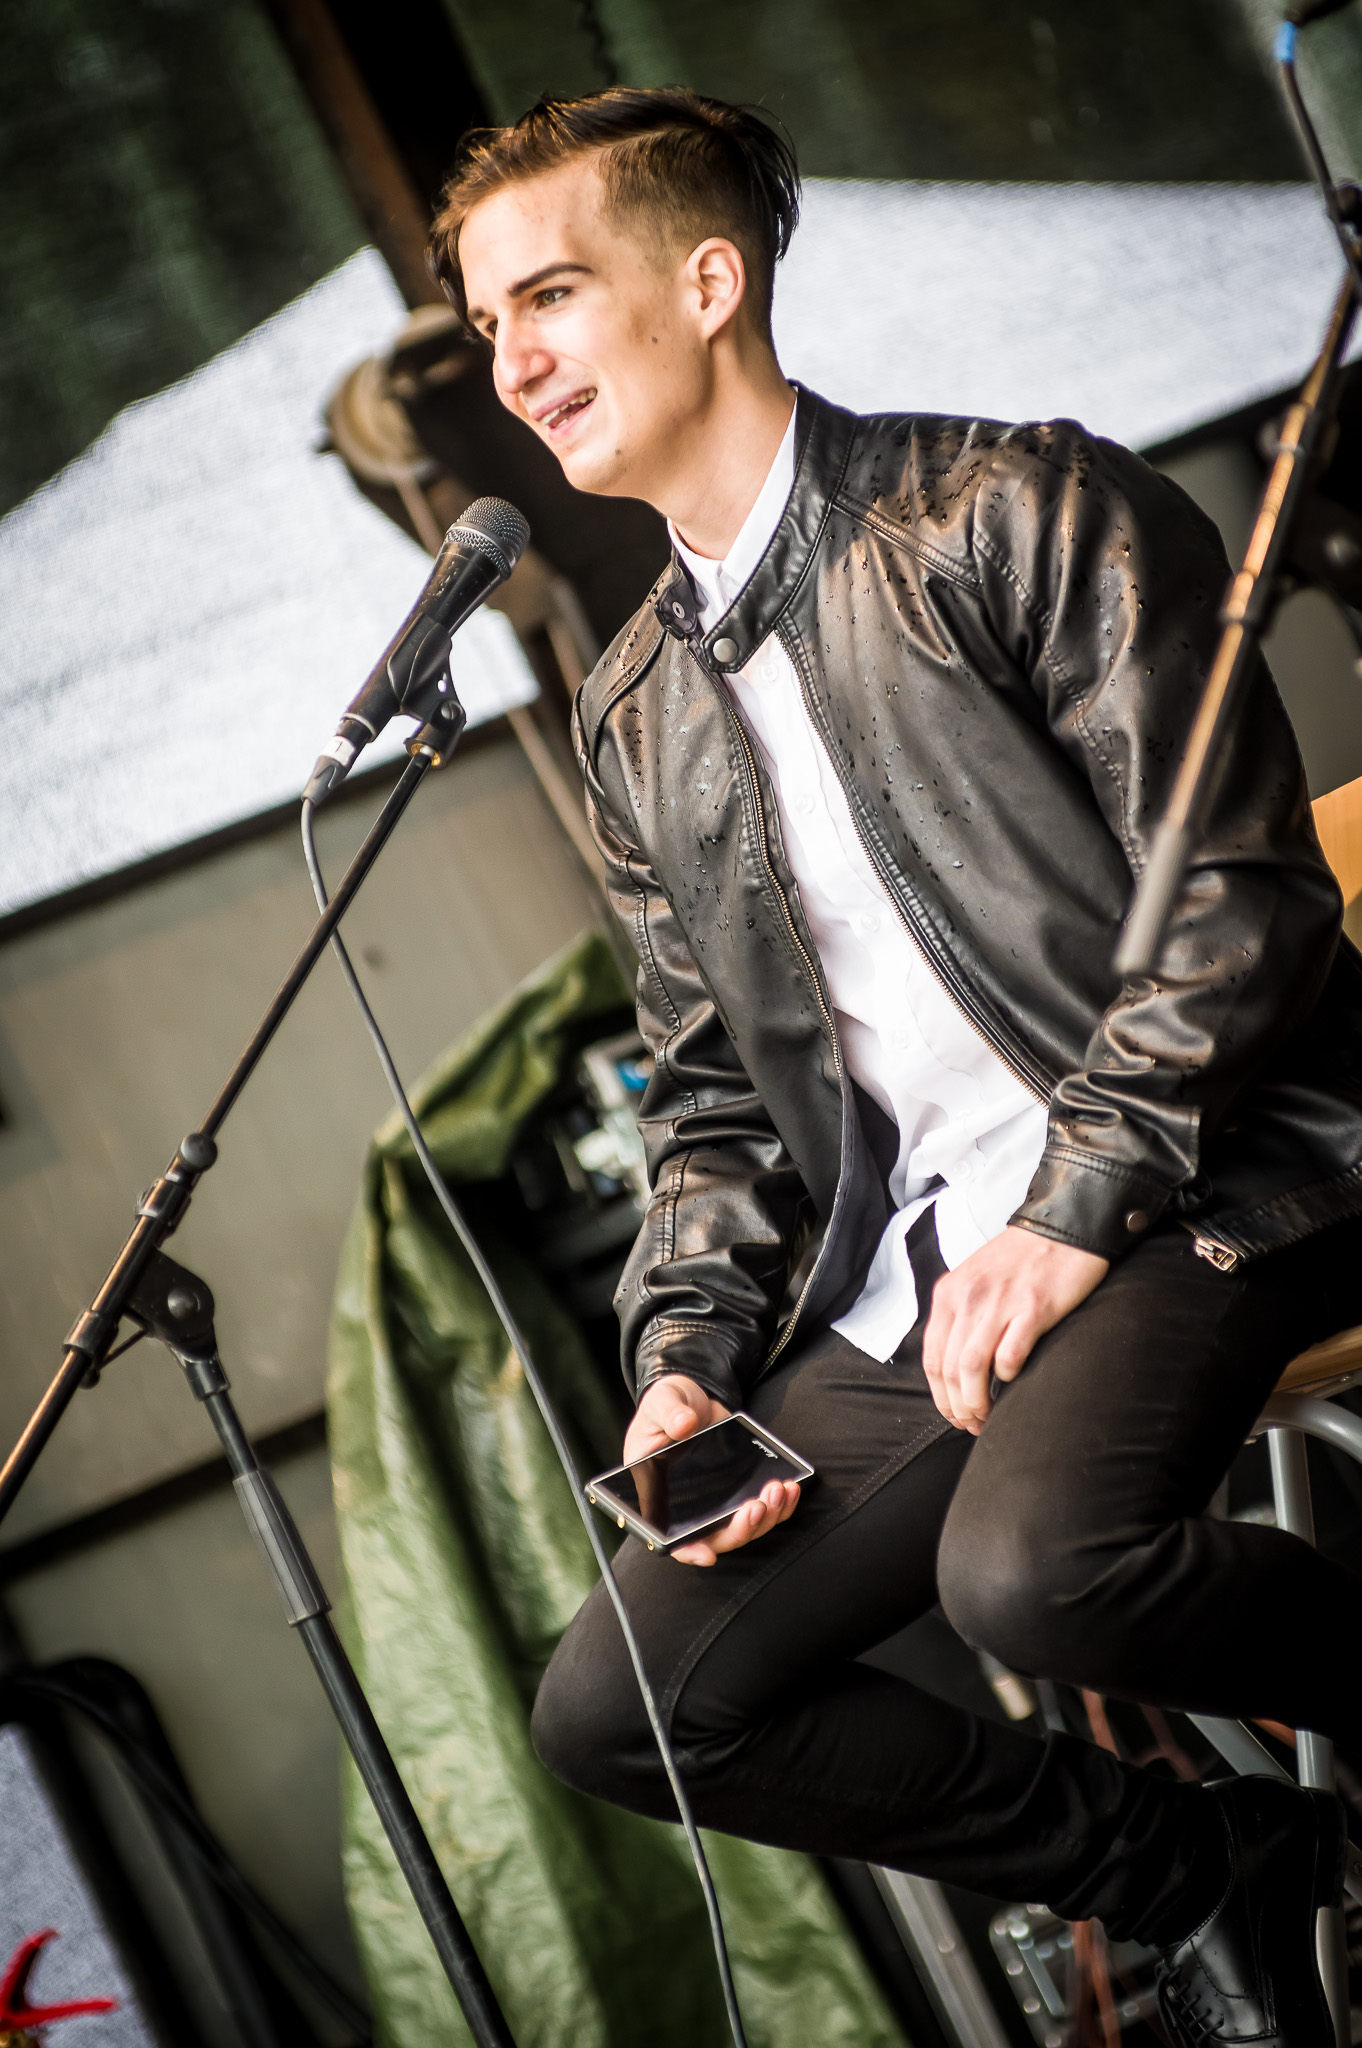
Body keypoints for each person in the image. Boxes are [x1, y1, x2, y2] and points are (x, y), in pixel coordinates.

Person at [433, 87, 1362, 2047]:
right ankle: (1211, 1868)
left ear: (709, 283)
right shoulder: (634, 711)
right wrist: (687, 1352)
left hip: (1205, 1166)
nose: (510, 364)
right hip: (929, 1272)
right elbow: (709, 1098)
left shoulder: (1020, 506)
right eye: (486, 321)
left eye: (550, 296)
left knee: (1034, 1573)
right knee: (626, 1710)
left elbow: (1240, 907)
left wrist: (1072, 1208)